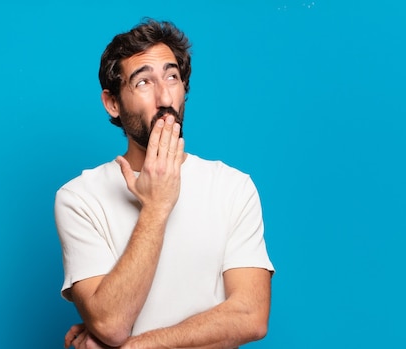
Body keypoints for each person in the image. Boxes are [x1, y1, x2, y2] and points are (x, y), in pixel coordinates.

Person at [55, 18, 274, 349]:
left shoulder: (232, 187)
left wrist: (137, 345)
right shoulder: (79, 198)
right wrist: (156, 207)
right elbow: (111, 323)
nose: (163, 97)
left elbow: (251, 316)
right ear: (113, 103)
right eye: (143, 82)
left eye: (172, 77)